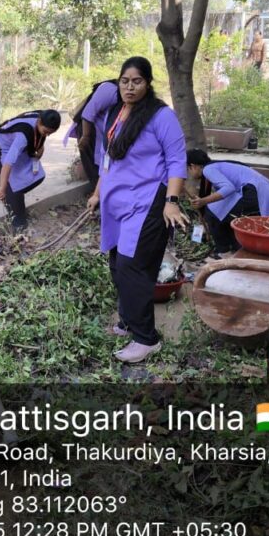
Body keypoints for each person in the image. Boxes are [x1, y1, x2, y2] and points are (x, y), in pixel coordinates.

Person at [87, 56, 189, 364]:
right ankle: (128, 320)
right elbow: (107, 160)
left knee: (133, 267)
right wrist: (97, 193)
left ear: (148, 83)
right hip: (118, 203)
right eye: (124, 81)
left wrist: (172, 202)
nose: (129, 87)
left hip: (148, 202)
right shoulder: (116, 113)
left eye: (137, 81)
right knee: (117, 264)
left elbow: (177, 160)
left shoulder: (161, 116)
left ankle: (146, 339)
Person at [186, 150, 269, 257]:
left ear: (193, 166)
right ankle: (236, 250)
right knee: (226, 214)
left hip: (254, 191)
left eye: (187, 169)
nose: (189, 173)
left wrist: (204, 201)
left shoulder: (208, 169)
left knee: (213, 212)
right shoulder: (217, 165)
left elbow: (228, 188)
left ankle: (224, 252)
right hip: (263, 190)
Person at [0, 109, 62, 229]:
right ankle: (18, 224)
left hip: (13, 146)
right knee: (11, 188)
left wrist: (38, 153)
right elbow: (7, 164)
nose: (47, 135)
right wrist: (2, 188)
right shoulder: (22, 137)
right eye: (46, 132)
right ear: (39, 122)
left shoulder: (42, 120)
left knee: (36, 177)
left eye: (50, 133)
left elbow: (39, 143)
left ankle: (16, 205)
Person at [65, 79, 119, 193]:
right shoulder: (110, 90)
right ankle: (98, 195)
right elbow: (88, 113)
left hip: (104, 134)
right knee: (93, 165)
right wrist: (85, 137)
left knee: (103, 164)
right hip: (88, 130)